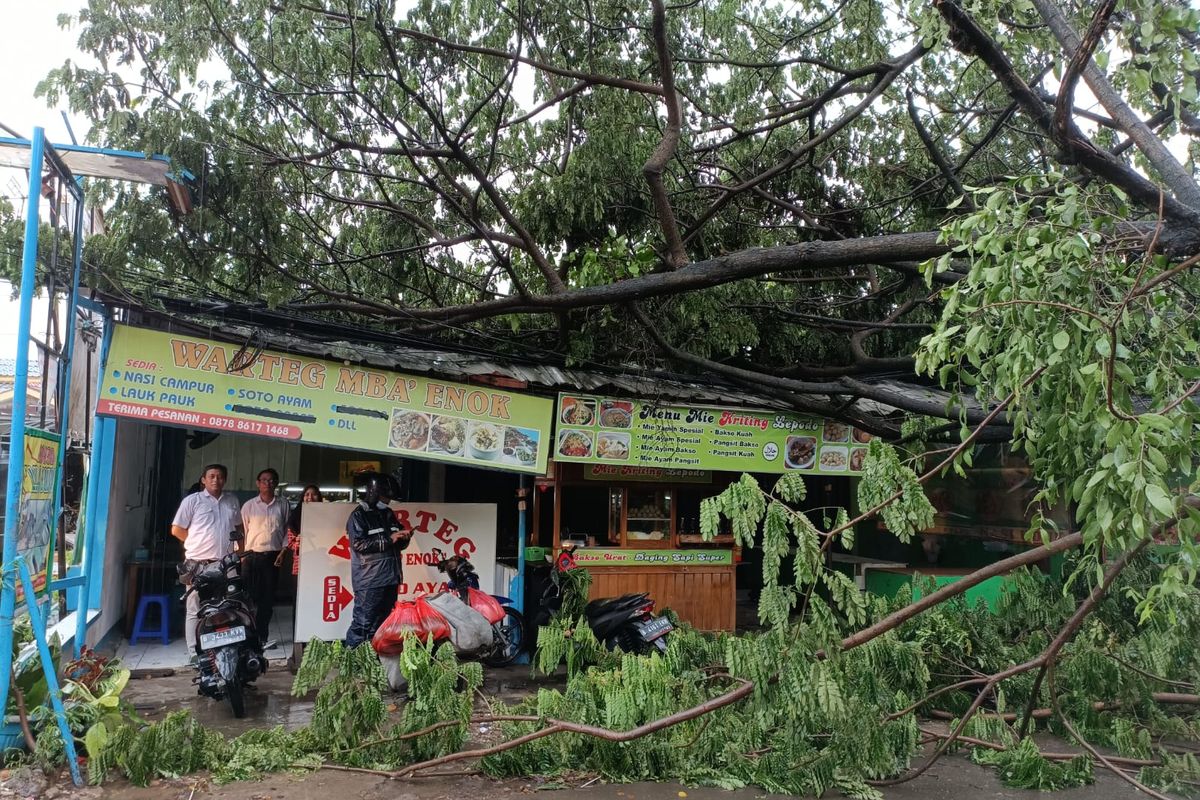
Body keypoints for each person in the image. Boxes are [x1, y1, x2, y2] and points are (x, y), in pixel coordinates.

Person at [171, 463, 243, 660]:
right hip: (197, 564)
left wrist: (239, 554)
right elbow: (176, 529)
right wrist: (195, 542)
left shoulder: (232, 501)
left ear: (225, 479)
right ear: (203, 479)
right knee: (195, 608)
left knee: (230, 604)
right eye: (211, 476)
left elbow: (238, 527)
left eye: (220, 476)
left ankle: (228, 647)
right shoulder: (192, 501)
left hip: (225, 563)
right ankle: (195, 652)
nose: (215, 480)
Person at [345, 472, 411, 647]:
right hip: (370, 580)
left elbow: (397, 542)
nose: (388, 501)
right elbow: (358, 544)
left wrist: (404, 538)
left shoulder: (388, 513)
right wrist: (390, 539)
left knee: (384, 622)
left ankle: (375, 659)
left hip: (391, 577)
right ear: (374, 492)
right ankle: (353, 663)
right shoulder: (358, 516)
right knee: (363, 624)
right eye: (385, 497)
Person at [240, 467, 289, 644]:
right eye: (264, 480)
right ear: (257, 484)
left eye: (271, 480)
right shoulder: (249, 506)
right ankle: (247, 636)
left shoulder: (283, 504)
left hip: (273, 557)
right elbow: (243, 531)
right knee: (248, 597)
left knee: (267, 599)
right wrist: (243, 556)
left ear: (276, 483)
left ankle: (262, 637)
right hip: (251, 557)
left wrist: (283, 552)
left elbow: (286, 531)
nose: (267, 483)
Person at [276, 484, 323, 576]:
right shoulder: (295, 517)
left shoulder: (326, 515)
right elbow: (290, 542)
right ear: (303, 497)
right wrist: (298, 542)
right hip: (302, 560)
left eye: (314, 494)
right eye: (307, 494)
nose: (310, 497)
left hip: (322, 560)